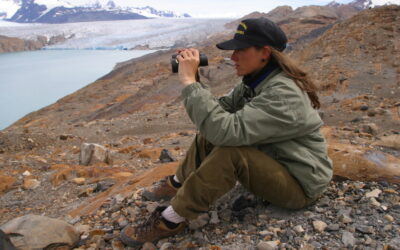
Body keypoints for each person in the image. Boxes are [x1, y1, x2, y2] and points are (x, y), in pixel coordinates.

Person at [120, 17, 333, 246]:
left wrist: (189, 81)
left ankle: (171, 220)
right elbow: (216, 116)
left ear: (265, 52)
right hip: (278, 160)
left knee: (230, 153)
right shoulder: (256, 82)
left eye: (240, 50)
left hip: (301, 184)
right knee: (210, 132)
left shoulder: (283, 93)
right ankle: (178, 182)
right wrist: (197, 82)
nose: (233, 57)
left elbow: (223, 131)